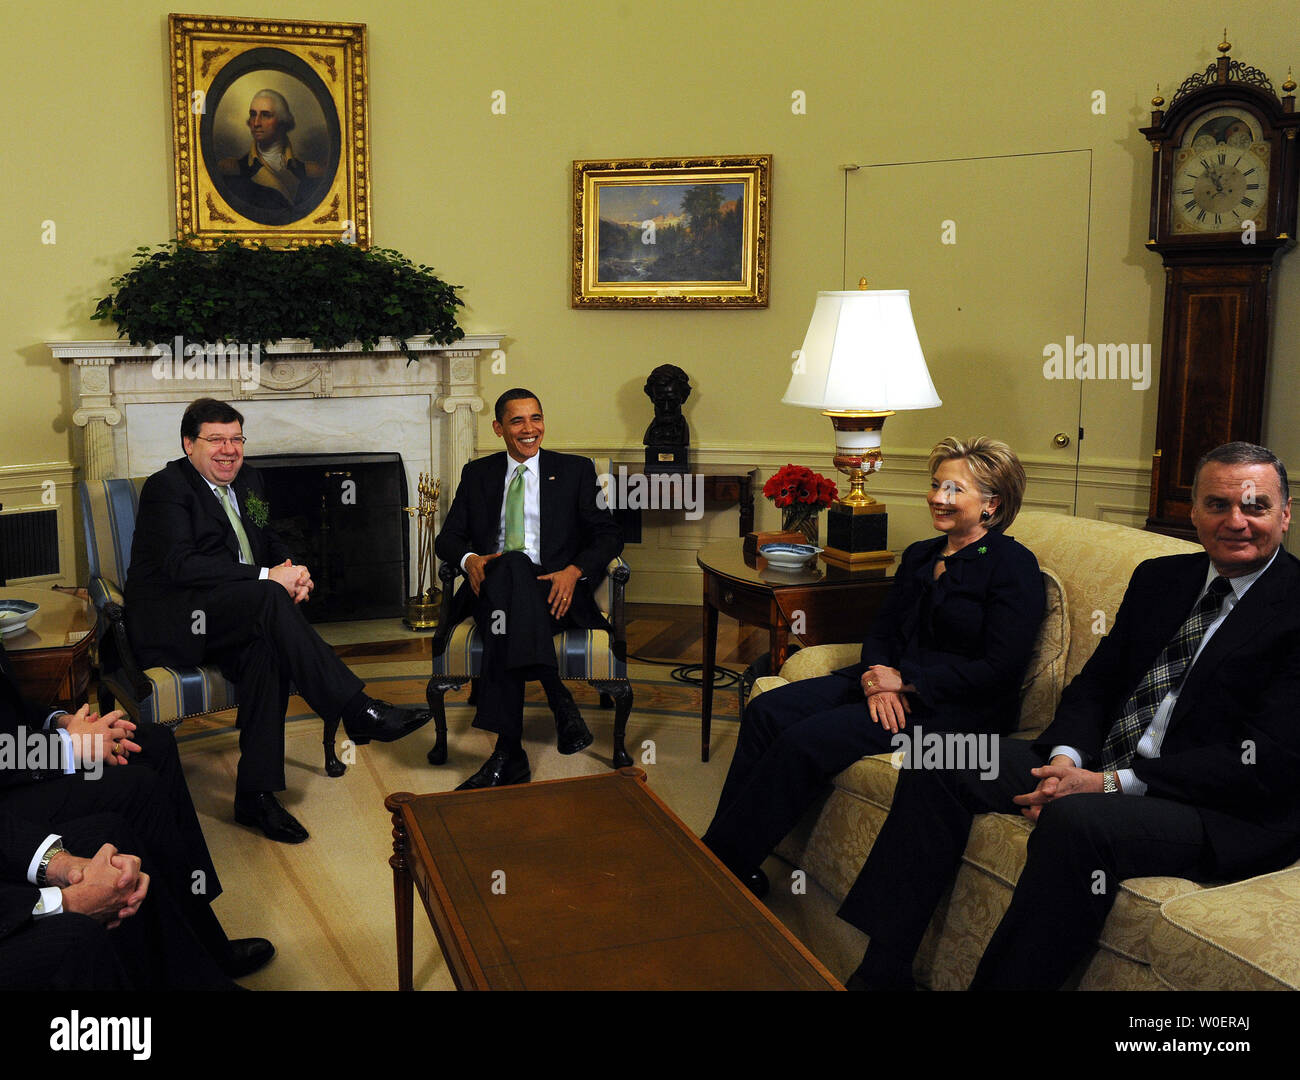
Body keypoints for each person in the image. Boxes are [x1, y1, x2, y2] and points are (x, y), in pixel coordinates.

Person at [838, 441, 1300, 990]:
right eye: (1218, 505)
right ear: (1194, 512)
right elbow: (1096, 686)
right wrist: (1065, 758)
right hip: (1098, 760)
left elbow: (1265, 760)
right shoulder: (1162, 578)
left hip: (1214, 805)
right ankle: (883, 970)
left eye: (1255, 506)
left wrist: (1105, 784)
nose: (1236, 522)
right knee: (940, 757)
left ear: (1285, 514)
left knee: (1077, 821)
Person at [702, 436, 1045, 896]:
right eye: (937, 484)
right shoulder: (922, 554)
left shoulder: (1013, 566)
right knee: (767, 711)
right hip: (884, 687)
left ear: (991, 504)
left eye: (955, 489)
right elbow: (881, 632)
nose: (939, 498)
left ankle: (721, 869)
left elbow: (1000, 667)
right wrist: (876, 680)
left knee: (806, 740)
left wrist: (907, 682)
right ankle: (718, 855)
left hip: (950, 708)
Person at [125, 397, 431, 843]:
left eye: (236, 439)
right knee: (269, 599)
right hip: (178, 621)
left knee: (266, 651)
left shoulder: (249, 482)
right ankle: (358, 709)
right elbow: (179, 565)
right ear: (189, 444)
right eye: (216, 440)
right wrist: (271, 578)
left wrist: (294, 570)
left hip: (240, 615)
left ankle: (256, 796)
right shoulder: (167, 488)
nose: (229, 450)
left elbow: (265, 536)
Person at [1, 638, 270, 981]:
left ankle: (203, 934)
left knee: (152, 744)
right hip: (9, 799)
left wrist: (63, 721)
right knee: (136, 789)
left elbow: (6, 709)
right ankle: (189, 962)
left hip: (21, 755)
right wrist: (68, 748)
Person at [434, 388, 624, 789]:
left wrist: (573, 571)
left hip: (554, 593)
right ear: (498, 427)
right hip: (493, 590)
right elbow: (448, 539)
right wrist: (471, 561)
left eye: (535, 418)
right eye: (517, 421)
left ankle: (508, 754)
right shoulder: (478, 474)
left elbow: (608, 536)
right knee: (511, 563)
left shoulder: (574, 471)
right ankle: (559, 700)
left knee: (515, 573)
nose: (529, 429)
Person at [215, 89, 327, 224]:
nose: (256, 123)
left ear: (282, 121)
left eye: (265, 115)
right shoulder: (231, 171)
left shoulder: (312, 173)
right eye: (252, 114)